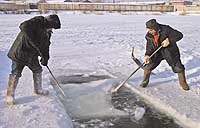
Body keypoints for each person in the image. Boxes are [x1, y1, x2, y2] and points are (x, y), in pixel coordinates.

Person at [6, 14, 61, 105]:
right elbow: (23, 26)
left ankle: (38, 90)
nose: (51, 30)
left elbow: (45, 46)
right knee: (16, 72)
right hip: (20, 52)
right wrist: (33, 40)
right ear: (48, 23)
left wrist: (45, 57)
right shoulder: (37, 21)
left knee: (38, 70)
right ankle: (9, 96)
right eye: (51, 27)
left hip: (32, 55)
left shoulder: (47, 33)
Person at [140, 19, 189, 91]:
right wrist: (147, 55)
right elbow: (149, 47)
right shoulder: (149, 36)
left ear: (156, 27)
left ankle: (183, 82)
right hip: (157, 53)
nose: (149, 32)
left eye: (151, 30)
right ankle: (145, 81)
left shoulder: (166, 29)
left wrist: (169, 40)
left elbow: (179, 35)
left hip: (170, 52)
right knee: (148, 66)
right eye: (148, 30)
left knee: (178, 67)